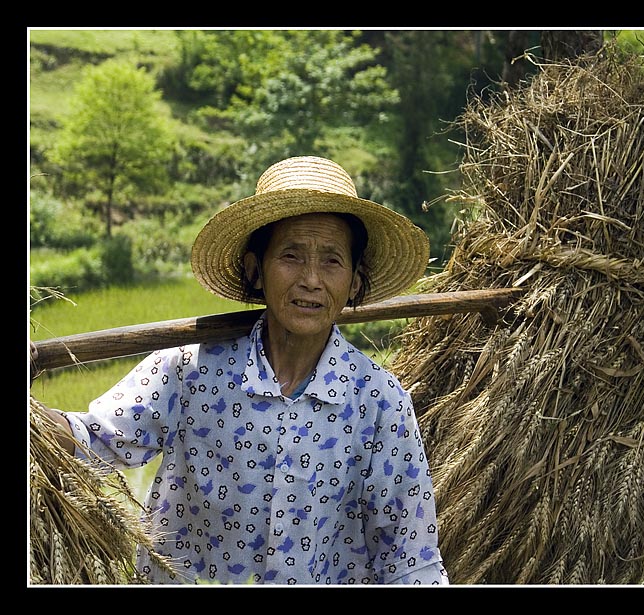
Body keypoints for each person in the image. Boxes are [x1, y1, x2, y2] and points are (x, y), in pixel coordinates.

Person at [34, 156, 449, 585]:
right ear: (256, 270)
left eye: (331, 261)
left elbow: (409, 557)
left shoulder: (378, 402)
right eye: (291, 256)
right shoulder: (188, 370)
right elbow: (90, 440)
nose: (311, 279)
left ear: (355, 282)